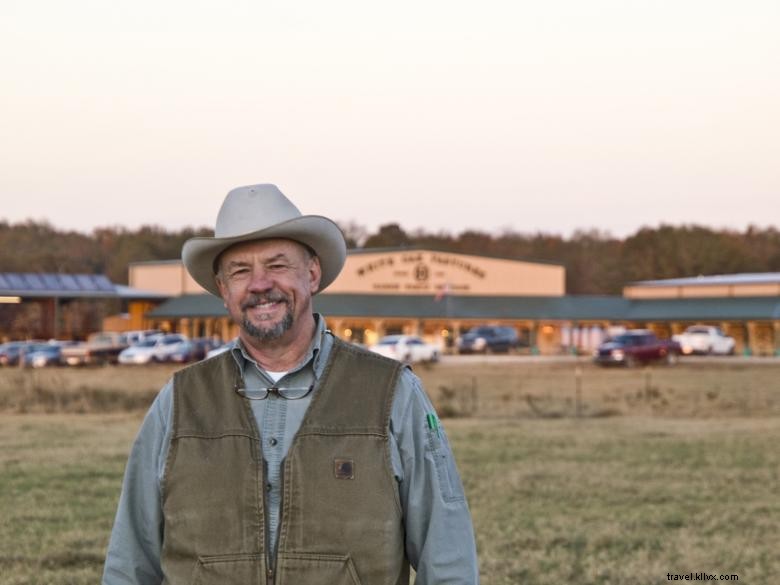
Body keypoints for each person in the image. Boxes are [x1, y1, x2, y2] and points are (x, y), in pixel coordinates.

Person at [102, 184, 479, 584]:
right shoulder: (178, 402)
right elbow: (130, 564)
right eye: (241, 271)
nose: (261, 284)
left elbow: (448, 559)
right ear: (223, 291)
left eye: (277, 265)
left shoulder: (392, 394)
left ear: (312, 274)